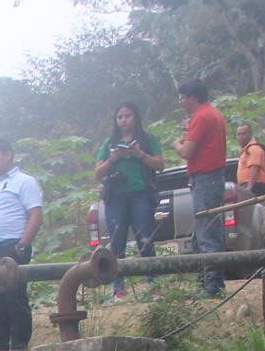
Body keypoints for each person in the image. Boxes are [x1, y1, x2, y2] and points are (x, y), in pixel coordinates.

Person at [0, 139, 43, 351]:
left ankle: (20, 343)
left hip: (11, 248)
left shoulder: (24, 181)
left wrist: (22, 245)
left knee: (15, 298)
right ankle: (0, 343)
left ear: (8, 155)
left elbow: (35, 215)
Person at [95, 101, 162, 300]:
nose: (124, 120)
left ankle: (155, 287)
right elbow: (98, 173)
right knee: (117, 243)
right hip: (115, 197)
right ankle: (118, 289)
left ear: (136, 118)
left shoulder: (148, 139)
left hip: (140, 194)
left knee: (146, 240)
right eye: (120, 117)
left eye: (127, 116)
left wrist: (139, 154)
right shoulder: (109, 143)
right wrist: (113, 159)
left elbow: (160, 165)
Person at [175, 79, 229, 297]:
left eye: (182, 98)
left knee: (207, 231)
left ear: (192, 98)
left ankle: (212, 284)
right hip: (212, 177)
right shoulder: (214, 114)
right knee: (203, 231)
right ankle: (206, 281)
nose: (181, 102)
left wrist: (177, 143)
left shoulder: (201, 117)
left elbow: (186, 151)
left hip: (206, 177)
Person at [237, 124, 265, 196]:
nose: (241, 137)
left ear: (250, 135)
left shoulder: (253, 148)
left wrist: (249, 188)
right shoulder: (246, 150)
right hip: (247, 185)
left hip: (255, 185)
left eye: (244, 134)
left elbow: (254, 168)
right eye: (239, 134)